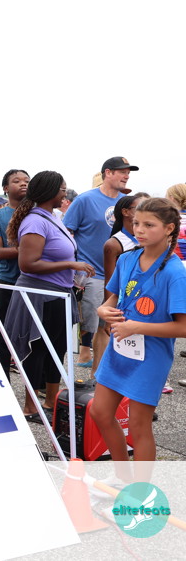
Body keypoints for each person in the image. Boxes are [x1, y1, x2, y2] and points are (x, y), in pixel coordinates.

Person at [91, 198, 186, 480]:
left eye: (149, 225)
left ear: (169, 228)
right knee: (100, 412)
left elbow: (183, 327)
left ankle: (141, 490)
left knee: (138, 426)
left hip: (150, 358)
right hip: (119, 350)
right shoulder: (126, 259)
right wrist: (103, 309)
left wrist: (137, 327)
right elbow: (114, 298)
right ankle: (122, 476)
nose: (140, 230)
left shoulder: (174, 272)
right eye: (136, 223)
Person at [4, 171, 94, 422]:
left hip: (59, 294)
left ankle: (51, 402)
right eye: (62, 189)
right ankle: (30, 407)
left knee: (58, 349)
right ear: (50, 192)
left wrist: (70, 274)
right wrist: (70, 265)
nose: (65, 194)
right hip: (40, 295)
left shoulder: (52, 217)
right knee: (38, 350)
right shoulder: (35, 221)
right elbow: (28, 264)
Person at [64, 157, 136, 378]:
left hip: (122, 273)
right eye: (122, 172)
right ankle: (95, 373)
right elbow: (67, 232)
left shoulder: (128, 202)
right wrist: (75, 266)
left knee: (112, 324)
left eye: (128, 173)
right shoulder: (85, 200)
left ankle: (101, 374)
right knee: (96, 324)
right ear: (108, 173)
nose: (126, 176)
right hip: (93, 273)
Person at [0, 169, 30, 377]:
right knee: (2, 335)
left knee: (32, 336)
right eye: (16, 181)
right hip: (6, 283)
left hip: (34, 283)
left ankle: (35, 386)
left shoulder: (38, 213)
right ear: (5, 188)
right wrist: (29, 250)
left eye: (27, 180)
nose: (23, 183)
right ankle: (3, 381)